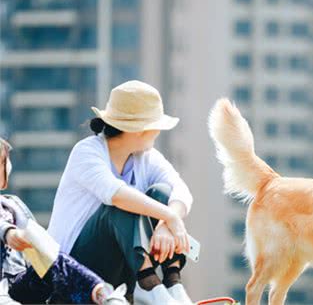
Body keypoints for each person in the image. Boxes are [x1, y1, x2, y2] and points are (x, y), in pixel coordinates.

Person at [47, 80, 194, 305]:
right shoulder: (86, 152)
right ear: (139, 129)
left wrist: (167, 222)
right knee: (120, 207)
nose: (158, 132)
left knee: (162, 193)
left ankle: (173, 284)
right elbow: (115, 194)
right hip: (72, 274)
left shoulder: (146, 158)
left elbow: (181, 191)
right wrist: (170, 217)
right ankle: (151, 286)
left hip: (117, 272)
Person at [0, 137, 128, 305]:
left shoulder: (12, 205)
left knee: (48, 252)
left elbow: (43, 248)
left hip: (19, 287)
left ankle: (101, 293)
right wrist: (8, 232)